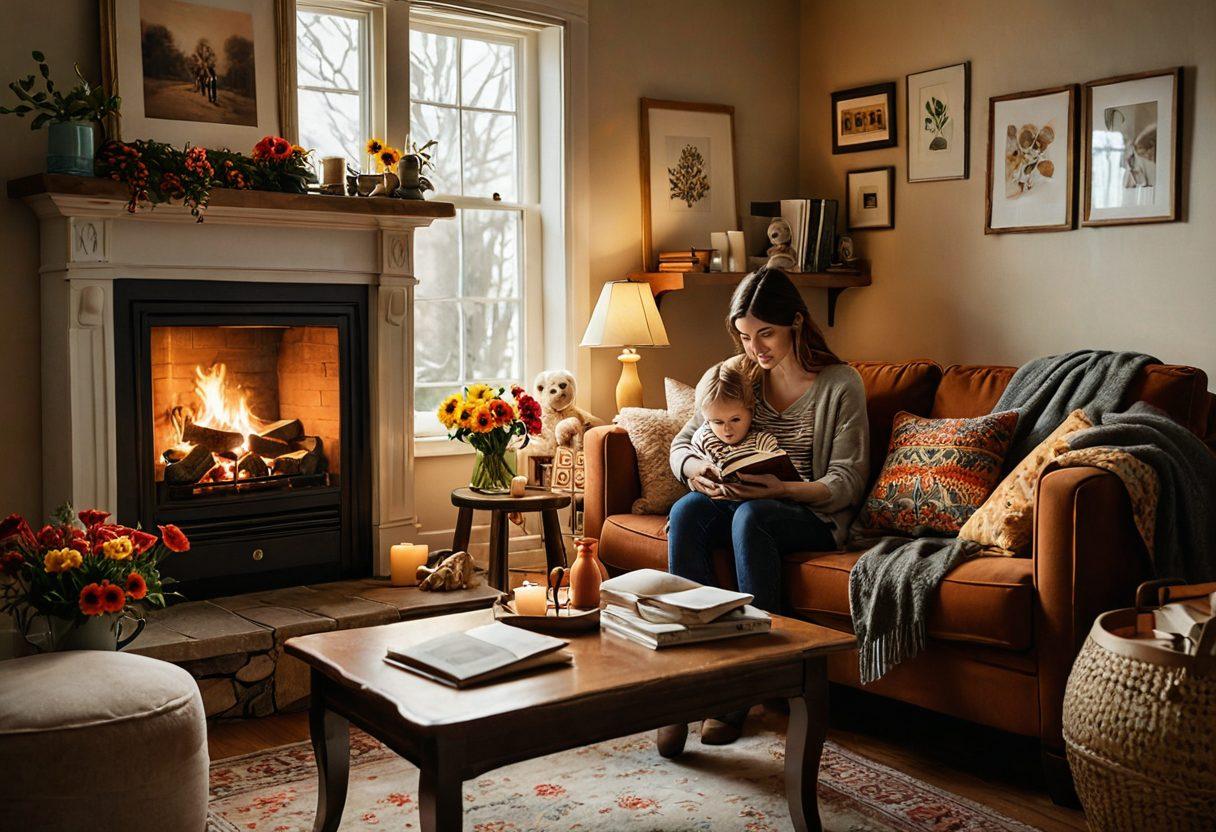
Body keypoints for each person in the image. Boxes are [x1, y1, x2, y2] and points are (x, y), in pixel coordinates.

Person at [659, 266, 870, 753]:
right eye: (745, 336)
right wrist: (694, 470)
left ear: (796, 322)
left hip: (809, 515)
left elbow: (847, 482)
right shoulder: (740, 377)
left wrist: (780, 489)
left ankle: (745, 690)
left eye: (765, 333)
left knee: (754, 518)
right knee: (690, 511)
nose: (756, 348)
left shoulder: (841, 385)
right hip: (740, 502)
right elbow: (683, 442)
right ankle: (687, 683)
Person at [686, 363, 782, 472]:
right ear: (707, 419)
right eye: (718, 422)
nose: (727, 429)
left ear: (751, 412)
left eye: (735, 419)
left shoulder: (763, 441)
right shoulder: (701, 439)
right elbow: (692, 467)